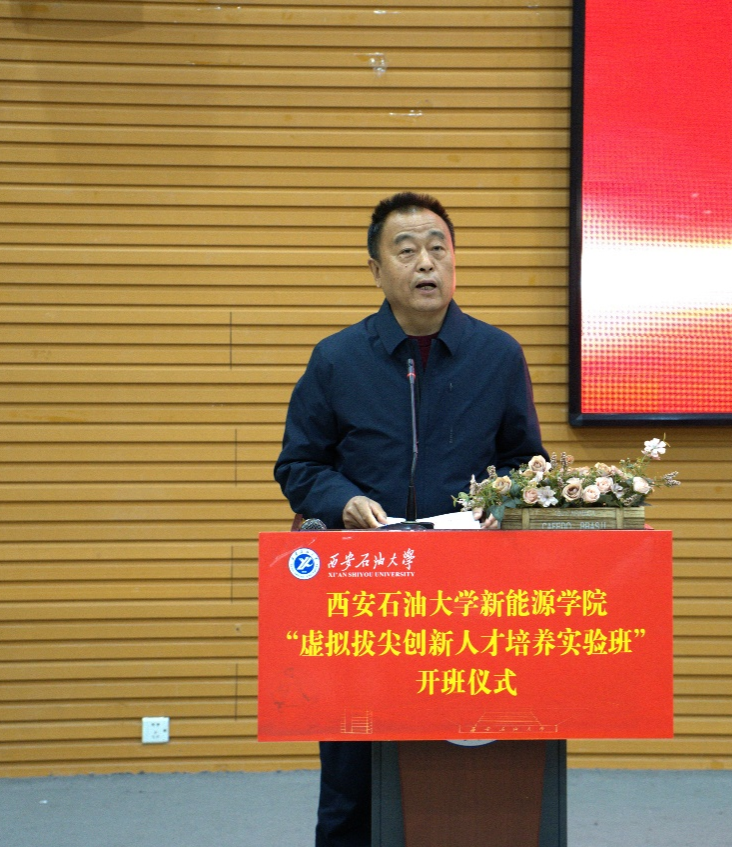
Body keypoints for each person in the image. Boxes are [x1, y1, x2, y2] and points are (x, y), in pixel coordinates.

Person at [274, 192, 545, 846]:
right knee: (353, 773)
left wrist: (501, 499)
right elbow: (299, 464)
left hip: (466, 598)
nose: (426, 263)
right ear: (376, 270)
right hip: (365, 595)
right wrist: (342, 500)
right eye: (407, 251)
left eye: (437, 248)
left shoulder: (497, 355)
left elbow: (524, 461)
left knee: (464, 768)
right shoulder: (337, 359)